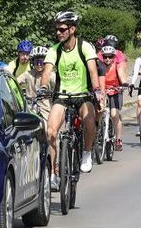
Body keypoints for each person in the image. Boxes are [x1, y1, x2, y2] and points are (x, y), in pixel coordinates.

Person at [38, 10, 104, 188]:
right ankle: (54, 172)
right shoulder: (54, 50)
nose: (58, 32)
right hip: (62, 95)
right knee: (51, 131)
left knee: (89, 121)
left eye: (62, 29)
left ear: (72, 29)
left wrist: (96, 90)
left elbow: (92, 71)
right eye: (57, 29)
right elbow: (47, 72)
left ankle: (87, 153)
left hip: (83, 94)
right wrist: (43, 87)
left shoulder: (85, 47)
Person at [98, 45, 127, 151]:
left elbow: (121, 75)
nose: (107, 59)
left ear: (113, 57)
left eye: (110, 57)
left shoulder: (116, 65)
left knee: (114, 114)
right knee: (99, 111)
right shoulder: (99, 66)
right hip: (102, 92)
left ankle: (118, 138)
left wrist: (124, 84)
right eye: (105, 57)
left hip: (115, 91)